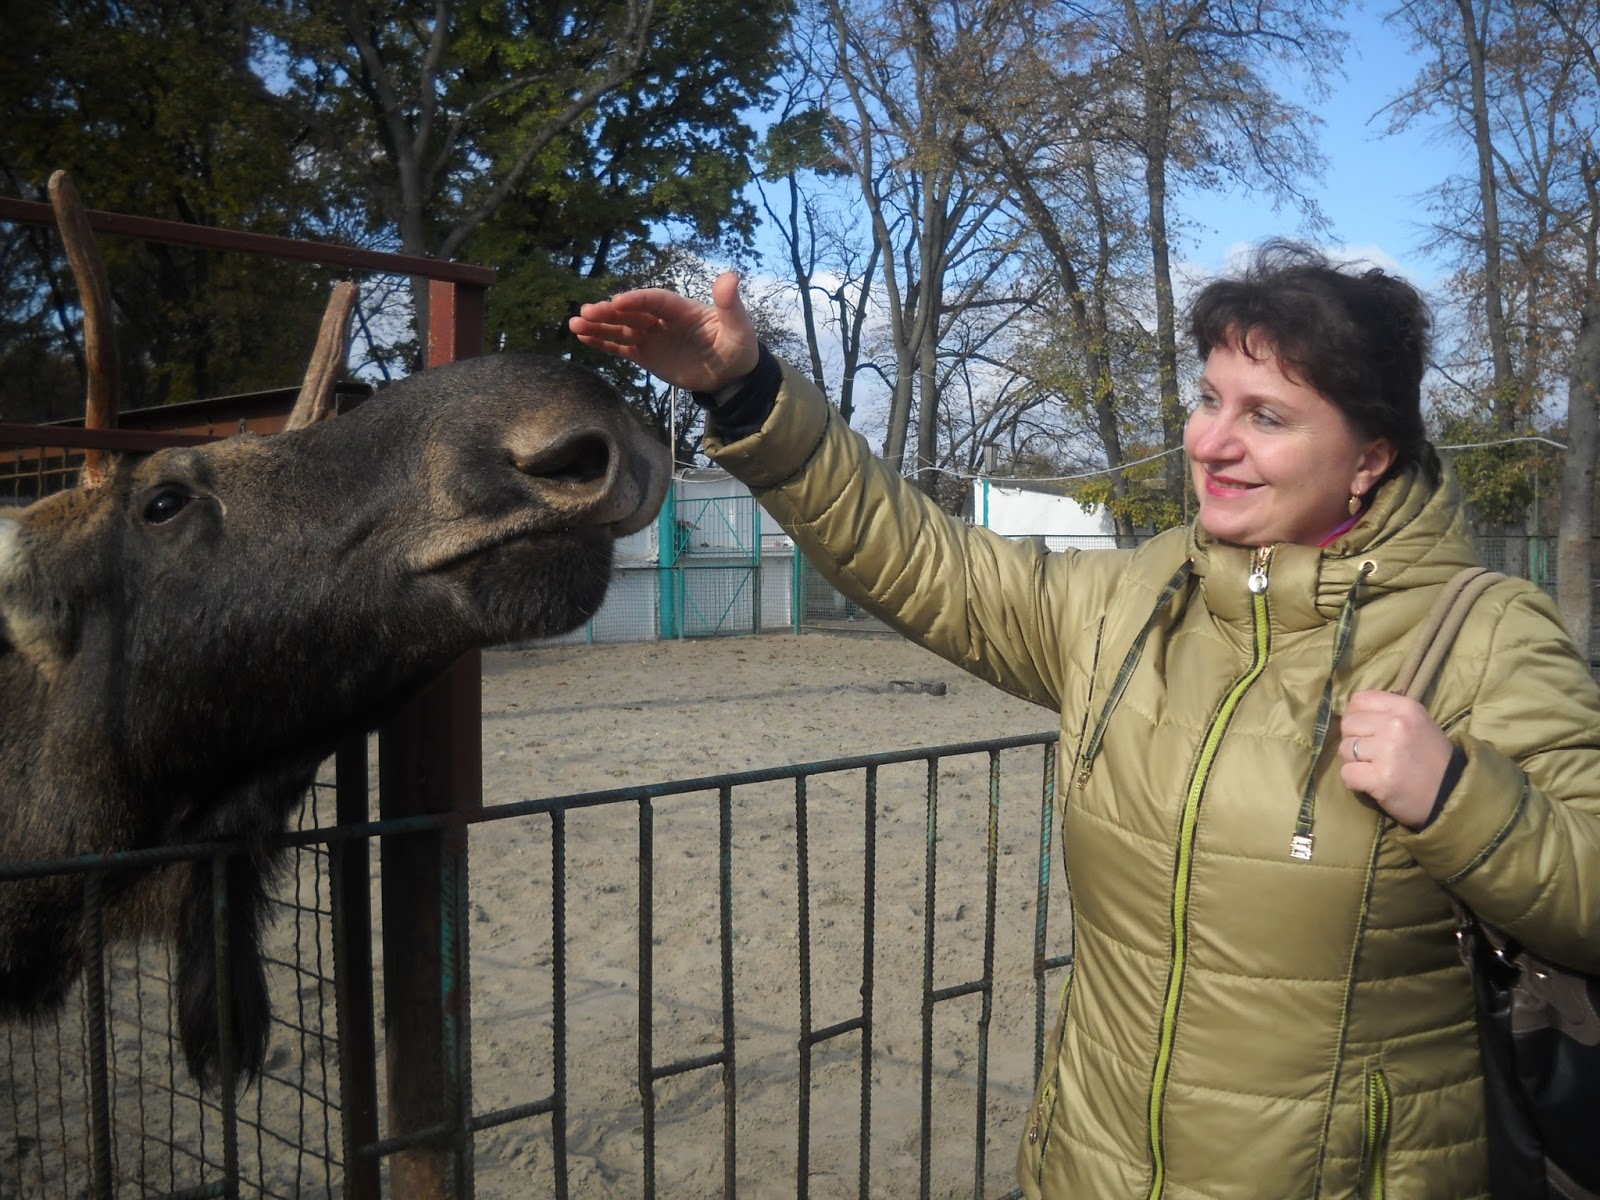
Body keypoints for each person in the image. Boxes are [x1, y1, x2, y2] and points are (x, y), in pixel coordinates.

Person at [570, 242, 1600, 1199]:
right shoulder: (1135, 599)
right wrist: (750, 394)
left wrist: (1463, 801)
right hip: (1093, 1167)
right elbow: (919, 557)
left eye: (1265, 417)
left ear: (1369, 457)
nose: (1210, 442)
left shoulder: (1482, 635)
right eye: (1208, 400)